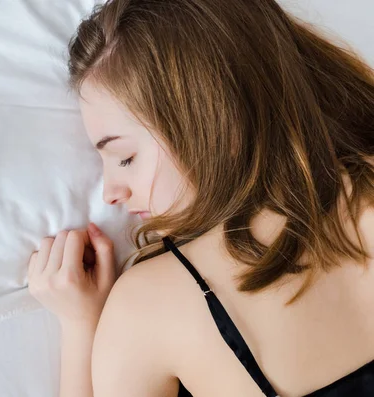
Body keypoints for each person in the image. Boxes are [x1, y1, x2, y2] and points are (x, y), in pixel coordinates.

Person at [27, 0, 374, 395]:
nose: (110, 193)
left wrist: (80, 325)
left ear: (213, 116)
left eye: (125, 157)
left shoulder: (151, 307)